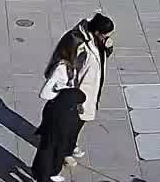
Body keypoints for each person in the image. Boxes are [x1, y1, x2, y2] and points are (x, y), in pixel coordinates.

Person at [40, 14, 115, 161]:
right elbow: (68, 69)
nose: (107, 38)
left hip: (91, 88)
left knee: (79, 123)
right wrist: (73, 96)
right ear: (97, 32)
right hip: (77, 92)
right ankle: (63, 152)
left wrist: (108, 48)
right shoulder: (78, 44)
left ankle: (70, 145)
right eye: (106, 35)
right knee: (71, 124)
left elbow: (100, 58)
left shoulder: (97, 41)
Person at [30, 87, 86, 182]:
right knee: (47, 161)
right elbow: (69, 131)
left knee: (44, 156)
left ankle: (40, 173)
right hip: (56, 140)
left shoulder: (54, 104)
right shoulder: (68, 114)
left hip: (48, 136)